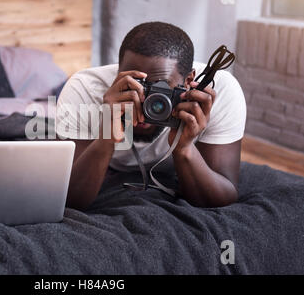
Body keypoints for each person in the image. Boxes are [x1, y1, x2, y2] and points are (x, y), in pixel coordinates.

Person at [56, 22, 246, 210]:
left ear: (189, 81)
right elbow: (67, 198)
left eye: (160, 92)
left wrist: (184, 148)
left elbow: (224, 196)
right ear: (118, 73)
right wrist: (106, 138)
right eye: (136, 86)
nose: (145, 104)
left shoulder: (219, 91)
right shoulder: (84, 89)